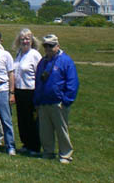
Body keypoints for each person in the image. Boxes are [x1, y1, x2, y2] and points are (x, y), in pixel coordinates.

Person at [34, 34, 79, 164]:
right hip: (43, 102)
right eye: (45, 46)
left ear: (57, 46)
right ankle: (48, 152)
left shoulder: (65, 61)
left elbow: (72, 83)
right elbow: (38, 81)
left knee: (61, 130)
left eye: (51, 46)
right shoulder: (42, 62)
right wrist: (37, 101)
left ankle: (65, 155)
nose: (48, 48)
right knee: (45, 131)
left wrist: (66, 100)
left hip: (58, 103)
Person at [13, 28, 42, 155]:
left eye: (27, 39)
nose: (25, 41)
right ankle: (25, 143)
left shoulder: (35, 55)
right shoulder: (19, 54)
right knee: (22, 119)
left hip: (31, 91)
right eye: (22, 39)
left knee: (32, 120)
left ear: (31, 40)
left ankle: (35, 146)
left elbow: (39, 75)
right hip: (19, 91)